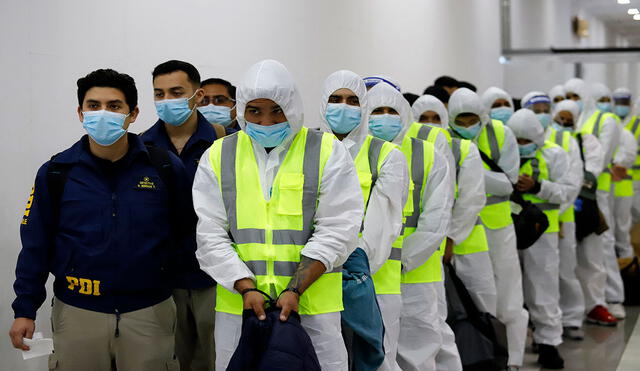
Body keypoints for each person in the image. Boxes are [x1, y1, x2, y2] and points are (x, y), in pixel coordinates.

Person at [10, 68, 191, 370]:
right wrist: (24, 309)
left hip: (150, 312)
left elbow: (187, 232)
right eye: (94, 106)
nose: (103, 113)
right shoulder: (56, 172)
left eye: (114, 106)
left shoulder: (163, 168)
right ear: (81, 113)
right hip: (78, 313)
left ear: (132, 114)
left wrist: (164, 279)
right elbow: (35, 245)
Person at [193, 59, 364, 371]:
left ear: (293, 107)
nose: (267, 122)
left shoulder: (326, 151)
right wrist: (246, 287)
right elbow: (210, 234)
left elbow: (339, 228)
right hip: (241, 309)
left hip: (313, 309)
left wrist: (295, 289)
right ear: (241, 109)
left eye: (276, 110)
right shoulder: (218, 155)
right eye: (255, 111)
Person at [319, 70, 409, 371]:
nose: (343, 107)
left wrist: (352, 268)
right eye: (335, 99)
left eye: (352, 100)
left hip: (367, 276)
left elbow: (383, 225)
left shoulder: (386, 155)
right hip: (314, 278)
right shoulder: (308, 148)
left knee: (375, 358)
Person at [366, 82, 453, 371]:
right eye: (377, 111)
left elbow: (436, 219)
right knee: (378, 353)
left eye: (392, 111)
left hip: (415, 271)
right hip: (367, 273)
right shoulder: (351, 153)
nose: (385, 117)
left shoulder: (430, 156)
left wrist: (402, 260)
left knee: (420, 350)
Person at [142, 60, 220, 371]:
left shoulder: (224, 141)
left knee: (218, 359)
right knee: (169, 361)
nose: (167, 101)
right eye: (159, 94)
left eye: (176, 92)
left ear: (198, 96)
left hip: (215, 276)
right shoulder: (141, 146)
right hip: (162, 279)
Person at [448, 88, 528, 370]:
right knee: (476, 296)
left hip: (498, 223)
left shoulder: (500, 133)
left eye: (472, 120)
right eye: (461, 121)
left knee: (510, 294)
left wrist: (470, 170)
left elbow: (508, 183)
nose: (467, 126)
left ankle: (514, 359)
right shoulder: (445, 136)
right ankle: (483, 354)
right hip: (463, 227)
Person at [412, 95, 492, 371]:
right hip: (422, 253)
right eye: (424, 119)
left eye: (436, 118)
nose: (431, 124)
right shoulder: (404, 150)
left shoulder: (458, 149)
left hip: (452, 243)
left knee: (451, 317)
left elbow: (469, 198)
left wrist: (450, 237)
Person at [506, 109, 573, 369]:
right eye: (518, 141)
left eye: (527, 142)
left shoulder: (554, 155)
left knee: (543, 287)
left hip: (542, 232)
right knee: (510, 289)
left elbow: (567, 191)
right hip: (508, 229)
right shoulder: (503, 153)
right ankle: (512, 348)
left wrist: (537, 187)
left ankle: (548, 342)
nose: (522, 147)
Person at [564, 77, 621, 326]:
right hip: (561, 205)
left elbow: (597, 163)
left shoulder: (595, 127)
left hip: (590, 200)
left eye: (575, 97)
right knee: (565, 261)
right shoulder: (554, 133)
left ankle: (601, 302)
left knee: (596, 253)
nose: (569, 103)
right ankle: (571, 311)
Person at [549, 99, 605, 339]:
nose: (564, 123)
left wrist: (564, 202)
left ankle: (574, 316)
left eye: (569, 119)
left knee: (574, 265)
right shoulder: (543, 140)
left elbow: (587, 173)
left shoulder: (585, 140)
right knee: (549, 271)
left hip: (576, 210)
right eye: (560, 117)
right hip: (550, 215)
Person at [590, 82, 632, 320]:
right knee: (593, 253)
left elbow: (619, 159)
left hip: (605, 192)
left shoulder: (615, 127)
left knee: (610, 242)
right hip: (586, 196)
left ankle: (615, 297)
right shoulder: (584, 124)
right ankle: (596, 301)